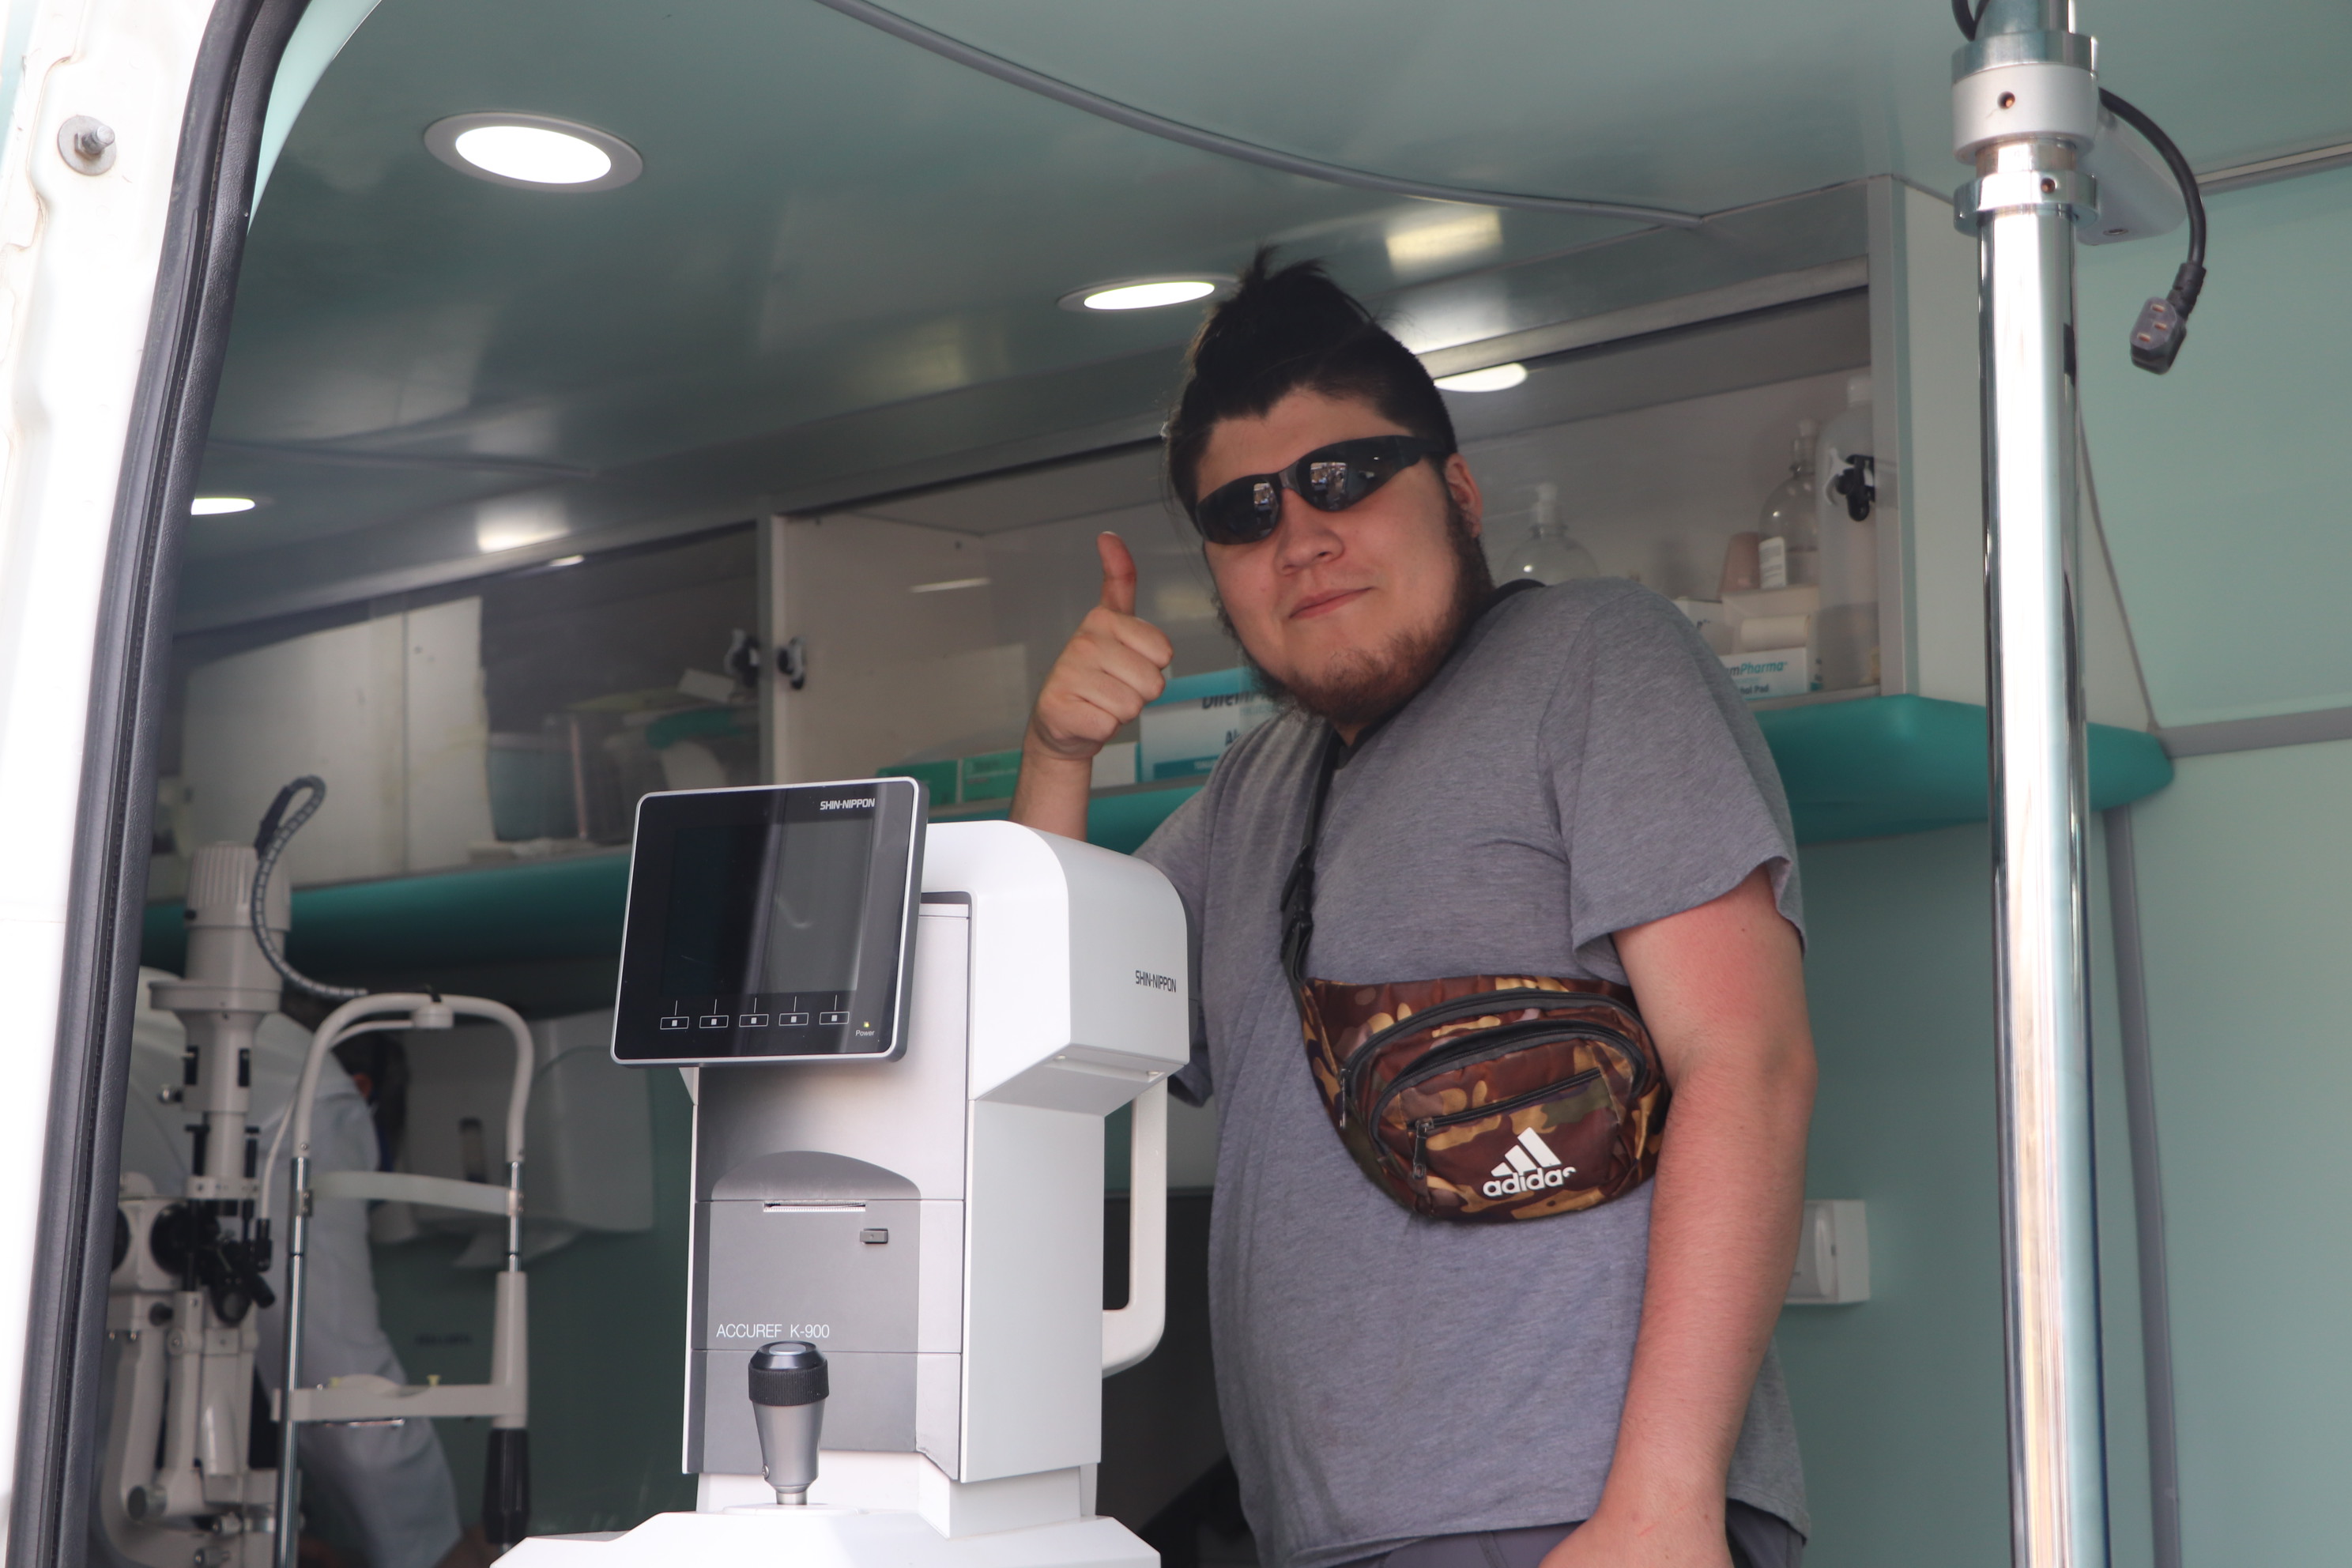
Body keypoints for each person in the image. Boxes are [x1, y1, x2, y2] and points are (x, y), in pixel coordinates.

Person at [1009, 255, 1816, 1568]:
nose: (1301, 535)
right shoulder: (1251, 791)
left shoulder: (1595, 657)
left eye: (1343, 476)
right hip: (1316, 1531)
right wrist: (1056, 756)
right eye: (1245, 511)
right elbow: (1036, 1043)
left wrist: (1664, 1505)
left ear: (1458, 490)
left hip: (1576, 1521)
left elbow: (1750, 1060)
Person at [109, 969, 477, 1568]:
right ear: (362, 1091)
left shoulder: (149, 1015)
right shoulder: (315, 1097)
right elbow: (337, 1387)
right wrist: (437, 1551)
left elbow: (91, 1416)